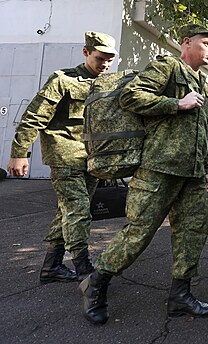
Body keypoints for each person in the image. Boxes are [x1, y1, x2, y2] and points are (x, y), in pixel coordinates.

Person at [79, 23, 208, 325]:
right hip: (159, 168)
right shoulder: (167, 67)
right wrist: (175, 103)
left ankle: (180, 295)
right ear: (187, 43)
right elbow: (130, 97)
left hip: (192, 175)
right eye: (206, 43)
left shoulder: (203, 85)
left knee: (192, 234)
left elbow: (204, 129)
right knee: (139, 232)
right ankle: (96, 283)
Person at [6, 32, 117, 283]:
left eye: (110, 60)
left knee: (67, 210)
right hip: (64, 154)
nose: (105, 64)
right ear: (86, 52)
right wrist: (19, 153)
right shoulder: (62, 79)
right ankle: (83, 268)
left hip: (92, 157)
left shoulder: (106, 83)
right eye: (100, 58)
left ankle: (51, 266)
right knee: (78, 209)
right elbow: (34, 116)